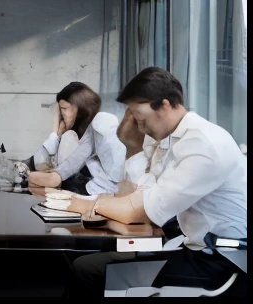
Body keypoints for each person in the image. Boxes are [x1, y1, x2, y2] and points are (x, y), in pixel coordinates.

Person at [69, 67, 247, 297]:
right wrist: (132, 149)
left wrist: (81, 204)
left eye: (139, 118)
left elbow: (139, 211)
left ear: (164, 105)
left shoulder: (202, 145)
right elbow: (135, 197)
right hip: (197, 250)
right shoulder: (176, 140)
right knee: (88, 264)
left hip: (220, 262)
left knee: (90, 269)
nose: (138, 126)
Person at [23, 82, 126, 196]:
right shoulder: (85, 132)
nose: (63, 114)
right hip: (87, 188)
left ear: (80, 106)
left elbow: (115, 174)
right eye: (61, 110)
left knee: (39, 188)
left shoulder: (102, 121)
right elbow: (75, 160)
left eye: (65, 108)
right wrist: (56, 133)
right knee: (35, 188)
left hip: (99, 191)